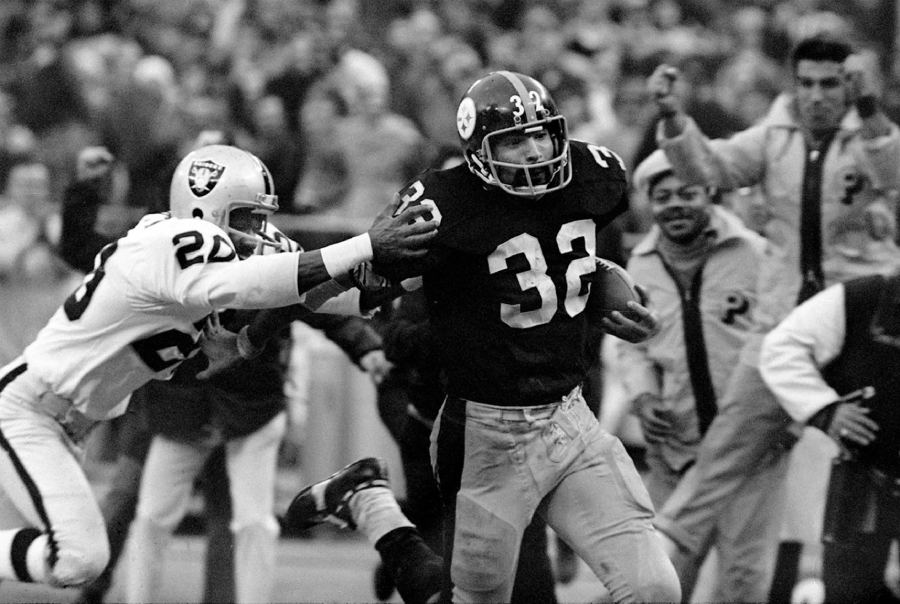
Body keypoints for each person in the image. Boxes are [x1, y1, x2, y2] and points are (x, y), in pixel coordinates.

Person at [282, 70, 680, 604]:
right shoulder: (443, 205)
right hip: (485, 434)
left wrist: (619, 300)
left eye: (542, 133)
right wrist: (278, 285)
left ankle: (372, 504)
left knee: (654, 589)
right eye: (514, 140)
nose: (535, 150)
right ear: (477, 151)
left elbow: (568, 259)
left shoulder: (593, 173)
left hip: (569, 419)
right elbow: (357, 287)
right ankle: (373, 507)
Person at [0, 142, 436, 589]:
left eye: (262, 216)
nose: (260, 229)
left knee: (83, 556)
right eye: (247, 216)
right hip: (29, 409)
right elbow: (253, 286)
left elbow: (329, 296)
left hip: (71, 422)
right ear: (203, 207)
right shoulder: (166, 241)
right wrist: (363, 244)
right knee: (79, 558)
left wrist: (402, 268)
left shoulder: (215, 244)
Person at [645, 33, 900, 599]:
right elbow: (708, 168)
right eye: (806, 84)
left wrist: (870, 111)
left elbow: (896, 178)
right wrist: (673, 119)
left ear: (849, 84)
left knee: (884, 452)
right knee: (723, 453)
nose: (816, 97)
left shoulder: (873, 136)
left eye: (829, 85)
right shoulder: (773, 139)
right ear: (793, 84)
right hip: (785, 324)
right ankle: (652, 570)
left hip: (864, 325)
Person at [620, 149, 784, 601]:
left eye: (688, 192)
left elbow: (785, 343)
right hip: (676, 451)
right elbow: (630, 346)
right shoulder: (640, 265)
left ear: (710, 192)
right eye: (663, 195)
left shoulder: (754, 253)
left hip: (748, 455)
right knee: (659, 583)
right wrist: (643, 396)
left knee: (743, 585)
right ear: (649, 202)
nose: (675, 204)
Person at [759, 272, 900, 604]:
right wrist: (823, 409)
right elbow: (782, 347)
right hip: (865, 475)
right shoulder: (863, 297)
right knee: (848, 593)